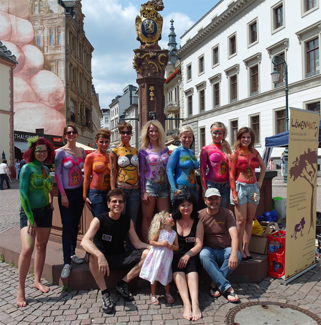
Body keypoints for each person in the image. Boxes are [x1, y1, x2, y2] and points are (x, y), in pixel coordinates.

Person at [80, 188, 150, 314]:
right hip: (100, 259)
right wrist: (100, 255)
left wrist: (153, 248)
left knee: (148, 254)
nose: (117, 204)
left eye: (120, 201)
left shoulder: (127, 220)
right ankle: (105, 293)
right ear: (108, 204)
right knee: (92, 256)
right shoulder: (99, 220)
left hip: (119, 257)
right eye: (114, 201)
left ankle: (123, 284)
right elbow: (85, 241)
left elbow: (137, 243)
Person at [16, 136, 55, 307]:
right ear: (33, 152)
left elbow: (48, 188)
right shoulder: (27, 168)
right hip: (29, 213)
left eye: (44, 151)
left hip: (45, 212)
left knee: (41, 246)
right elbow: (23, 194)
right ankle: (20, 289)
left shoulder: (45, 169)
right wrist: (30, 218)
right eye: (38, 151)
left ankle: (37, 281)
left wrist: (51, 201)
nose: (41, 153)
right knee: (27, 248)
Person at [229, 127, 266, 261]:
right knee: (241, 221)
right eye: (243, 137)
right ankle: (238, 249)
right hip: (240, 188)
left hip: (253, 188)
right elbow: (231, 175)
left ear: (252, 139)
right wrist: (234, 193)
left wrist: (260, 181)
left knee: (250, 219)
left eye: (248, 137)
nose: (245, 139)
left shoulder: (254, 152)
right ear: (239, 138)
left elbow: (263, 166)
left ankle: (246, 248)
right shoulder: (235, 154)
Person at [199, 188, 241, 303]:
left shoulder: (227, 213)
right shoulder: (200, 215)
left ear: (220, 199)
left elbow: (234, 236)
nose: (214, 201)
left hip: (224, 249)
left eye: (216, 198)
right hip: (209, 249)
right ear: (205, 200)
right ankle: (227, 287)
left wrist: (233, 254)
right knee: (203, 254)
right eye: (210, 199)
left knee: (236, 254)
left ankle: (215, 283)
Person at [55, 125, 86, 278]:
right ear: (65, 136)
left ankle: (73, 253)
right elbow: (58, 174)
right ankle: (66, 261)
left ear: (77, 134)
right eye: (69, 132)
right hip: (66, 192)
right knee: (67, 226)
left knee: (75, 225)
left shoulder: (82, 152)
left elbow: (86, 171)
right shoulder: (60, 153)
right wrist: (63, 195)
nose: (72, 134)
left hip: (79, 192)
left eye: (74, 132)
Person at [172, 194, 204, 321]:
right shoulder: (173, 220)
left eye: (189, 205)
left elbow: (199, 244)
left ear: (193, 206)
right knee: (177, 267)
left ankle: (195, 303)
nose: (186, 208)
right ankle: (187, 303)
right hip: (175, 252)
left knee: (191, 268)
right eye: (183, 205)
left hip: (191, 253)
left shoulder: (198, 222)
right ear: (178, 207)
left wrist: (188, 254)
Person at [139, 120, 171, 242]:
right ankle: (147, 245)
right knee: (147, 218)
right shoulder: (143, 150)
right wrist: (143, 192)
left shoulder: (165, 149)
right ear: (147, 133)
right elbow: (141, 172)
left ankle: (164, 244)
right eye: (151, 131)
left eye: (156, 130)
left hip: (163, 186)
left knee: (165, 218)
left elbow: (169, 169)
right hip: (150, 186)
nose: (154, 133)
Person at [140, 211, 178, 305]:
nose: (172, 217)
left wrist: (171, 246)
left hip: (167, 258)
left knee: (166, 274)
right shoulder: (160, 232)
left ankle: (167, 293)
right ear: (164, 221)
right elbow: (152, 242)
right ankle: (153, 294)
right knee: (155, 274)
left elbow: (177, 247)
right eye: (169, 216)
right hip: (157, 257)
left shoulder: (174, 234)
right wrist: (160, 243)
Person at [110, 122, 140, 231]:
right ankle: (119, 246)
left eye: (128, 132)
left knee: (133, 221)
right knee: (118, 219)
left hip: (135, 190)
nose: (126, 135)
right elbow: (112, 172)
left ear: (131, 134)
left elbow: (138, 170)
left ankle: (130, 246)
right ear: (119, 133)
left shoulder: (135, 150)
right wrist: (113, 191)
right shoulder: (115, 151)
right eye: (123, 132)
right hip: (121, 189)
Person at [200, 122, 231, 208]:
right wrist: (204, 189)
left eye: (220, 133)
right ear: (211, 133)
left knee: (223, 212)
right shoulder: (206, 149)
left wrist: (231, 182)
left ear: (223, 134)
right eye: (215, 133)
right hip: (211, 185)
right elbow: (202, 171)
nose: (217, 136)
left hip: (226, 186)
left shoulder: (227, 148)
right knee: (211, 211)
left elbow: (231, 168)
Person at [166, 125, 200, 205]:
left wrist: (197, 184)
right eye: (185, 137)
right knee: (179, 215)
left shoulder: (191, 152)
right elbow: (169, 170)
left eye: (189, 137)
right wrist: (174, 189)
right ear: (180, 136)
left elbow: (192, 169)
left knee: (192, 215)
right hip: (181, 189)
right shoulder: (176, 151)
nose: (187, 139)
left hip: (193, 189)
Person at [83, 129, 111, 217]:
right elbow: (86, 178)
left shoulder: (111, 156)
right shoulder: (91, 156)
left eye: (106, 142)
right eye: (101, 142)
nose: (104, 144)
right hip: (95, 193)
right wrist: (84, 195)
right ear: (96, 142)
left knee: (109, 222)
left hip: (109, 193)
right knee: (100, 221)